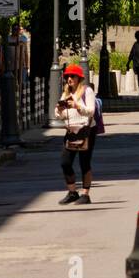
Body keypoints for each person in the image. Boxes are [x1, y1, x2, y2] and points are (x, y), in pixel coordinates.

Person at [55, 64, 97, 205]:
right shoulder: (66, 93)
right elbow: (59, 116)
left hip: (86, 130)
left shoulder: (87, 91)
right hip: (71, 130)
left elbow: (91, 111)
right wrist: (59, 110)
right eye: (67, 76)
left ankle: (85, 194)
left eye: (72, 76)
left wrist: (77, 106)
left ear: (79, 78)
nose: (69, 79)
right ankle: (72, 192)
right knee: (65, 162)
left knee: (84, 162)